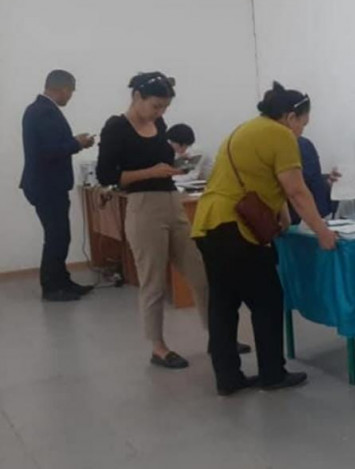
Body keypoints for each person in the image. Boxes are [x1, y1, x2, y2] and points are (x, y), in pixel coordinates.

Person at [192, 81, 338, 396]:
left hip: (209, 223)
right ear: (290, 117)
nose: (301, 131)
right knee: (268, 300)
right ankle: (272, 373)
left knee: (223, 304)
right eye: (303, 123)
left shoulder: (246, 129)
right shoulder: (281, 135)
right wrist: (322, 231)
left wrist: (281, 217)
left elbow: (265, 181)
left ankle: (228, 378)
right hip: (237, 229)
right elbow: (296, 190)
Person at [96, 72, 218, 370]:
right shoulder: (116, 127)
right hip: (143, 206)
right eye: (156, 106)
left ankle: (217, 336)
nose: (160, 112)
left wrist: (175, 166)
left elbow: (161, 158)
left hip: (172, 201)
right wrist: (151, 172)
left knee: (200, 272)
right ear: (137, 97)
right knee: (153, 282)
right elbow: (107, 175)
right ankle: (158, 347)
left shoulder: (159, 124)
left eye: (164, 107)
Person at [20, 70, 96, 302]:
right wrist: (77, 143)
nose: (70, 96)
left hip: (47, 184)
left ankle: (63, 281)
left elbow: (51, 145)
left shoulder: (40, 109)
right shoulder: (44, 111)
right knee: (56, 236)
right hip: (46, 185)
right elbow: (49, 151)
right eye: (71, 91)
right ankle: (52, 287)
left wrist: (74, 142)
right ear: (63, 89)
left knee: (60, 235)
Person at [287, 135, 340, 224]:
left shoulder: (304, 145)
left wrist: (328, 181)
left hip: (307, 218)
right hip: (297, 218)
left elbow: (313, 180)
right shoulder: (302, 145)